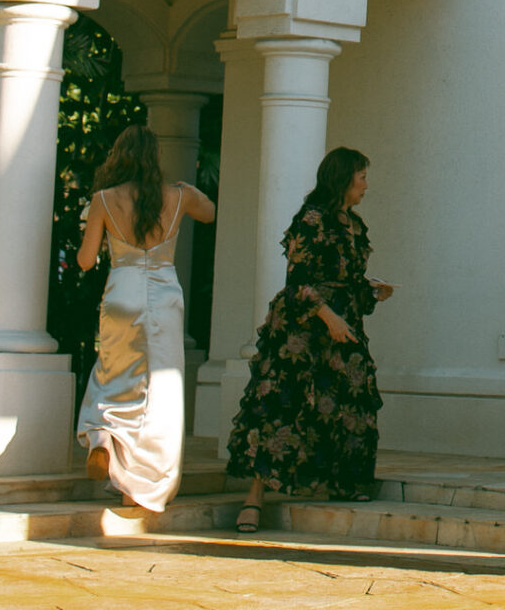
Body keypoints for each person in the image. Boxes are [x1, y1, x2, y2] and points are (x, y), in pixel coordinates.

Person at [228, 147, 392, 532]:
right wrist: (327, 316)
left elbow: (349, 280)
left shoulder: (355, 225)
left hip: (343, 323)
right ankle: (254, 498)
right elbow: (298, 280)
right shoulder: (311, 219)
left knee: (349, 399)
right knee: (280, 404)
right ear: (344, 178)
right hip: (303, 328)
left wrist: (373, 292)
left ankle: (342, 482)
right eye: (361, 177)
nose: (366, 185)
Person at [76, 125, 216, 514]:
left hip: (121, 291)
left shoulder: (104, 199)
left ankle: (103, 437)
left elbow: (86, 261)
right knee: (159, 390)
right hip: (164, 294)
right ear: (154, 158)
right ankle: (137, 486)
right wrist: (188, 188)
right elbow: (210, 213)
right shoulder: (178, 195)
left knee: (113, 373)